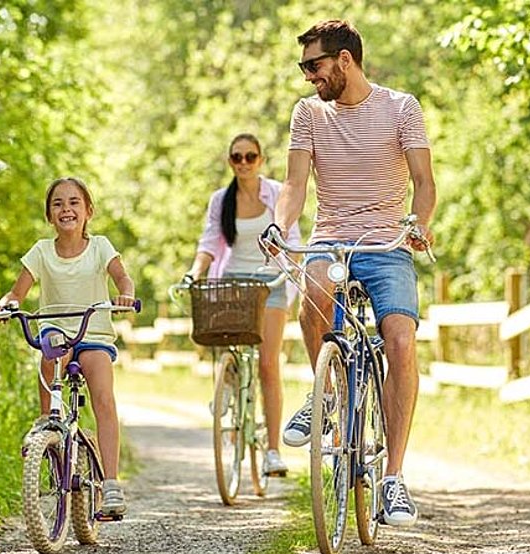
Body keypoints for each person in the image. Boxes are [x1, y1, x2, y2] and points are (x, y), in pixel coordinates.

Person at [268, 19, 437, 527]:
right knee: (312, 295)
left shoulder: (401, 107)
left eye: (313, 66)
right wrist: (281, 227)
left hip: (388, 243)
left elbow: (425, 181)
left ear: (345, 60)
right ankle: (329, 393)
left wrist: (418, 224)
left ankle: (394, 479)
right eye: (304, 67)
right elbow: (295, 186)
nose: (307, 78)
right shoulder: (309, 114)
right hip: (331, 237)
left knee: (400, 339)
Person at [0, 176, 137, 518]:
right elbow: (16, 293)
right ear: (49, 216)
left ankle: (111, 483)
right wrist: (5, 306)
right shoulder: (40, 251)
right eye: (57, 204)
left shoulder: (100, 247)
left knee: (103, 396)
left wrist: (125, 292)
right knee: (49, 357)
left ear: (88, 211)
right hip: (56, 329)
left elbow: (122, 277)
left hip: (93, 331)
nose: (66, 209)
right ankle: (48, 426)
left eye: (73, 203)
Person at [185, 133, 303, 477]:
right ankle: (228, 387)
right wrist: (195, 272)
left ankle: (272, 452)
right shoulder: (221, 200)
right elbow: (209, 241)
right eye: (237, 158)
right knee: (227, 344)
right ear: (230, 162)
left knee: (268, 364)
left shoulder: (278, 194)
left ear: (261, 160)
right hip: (233, 279)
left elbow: (293, 240)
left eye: (250, 157)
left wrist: (291, 267)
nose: (244, 163)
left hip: (271, 283)